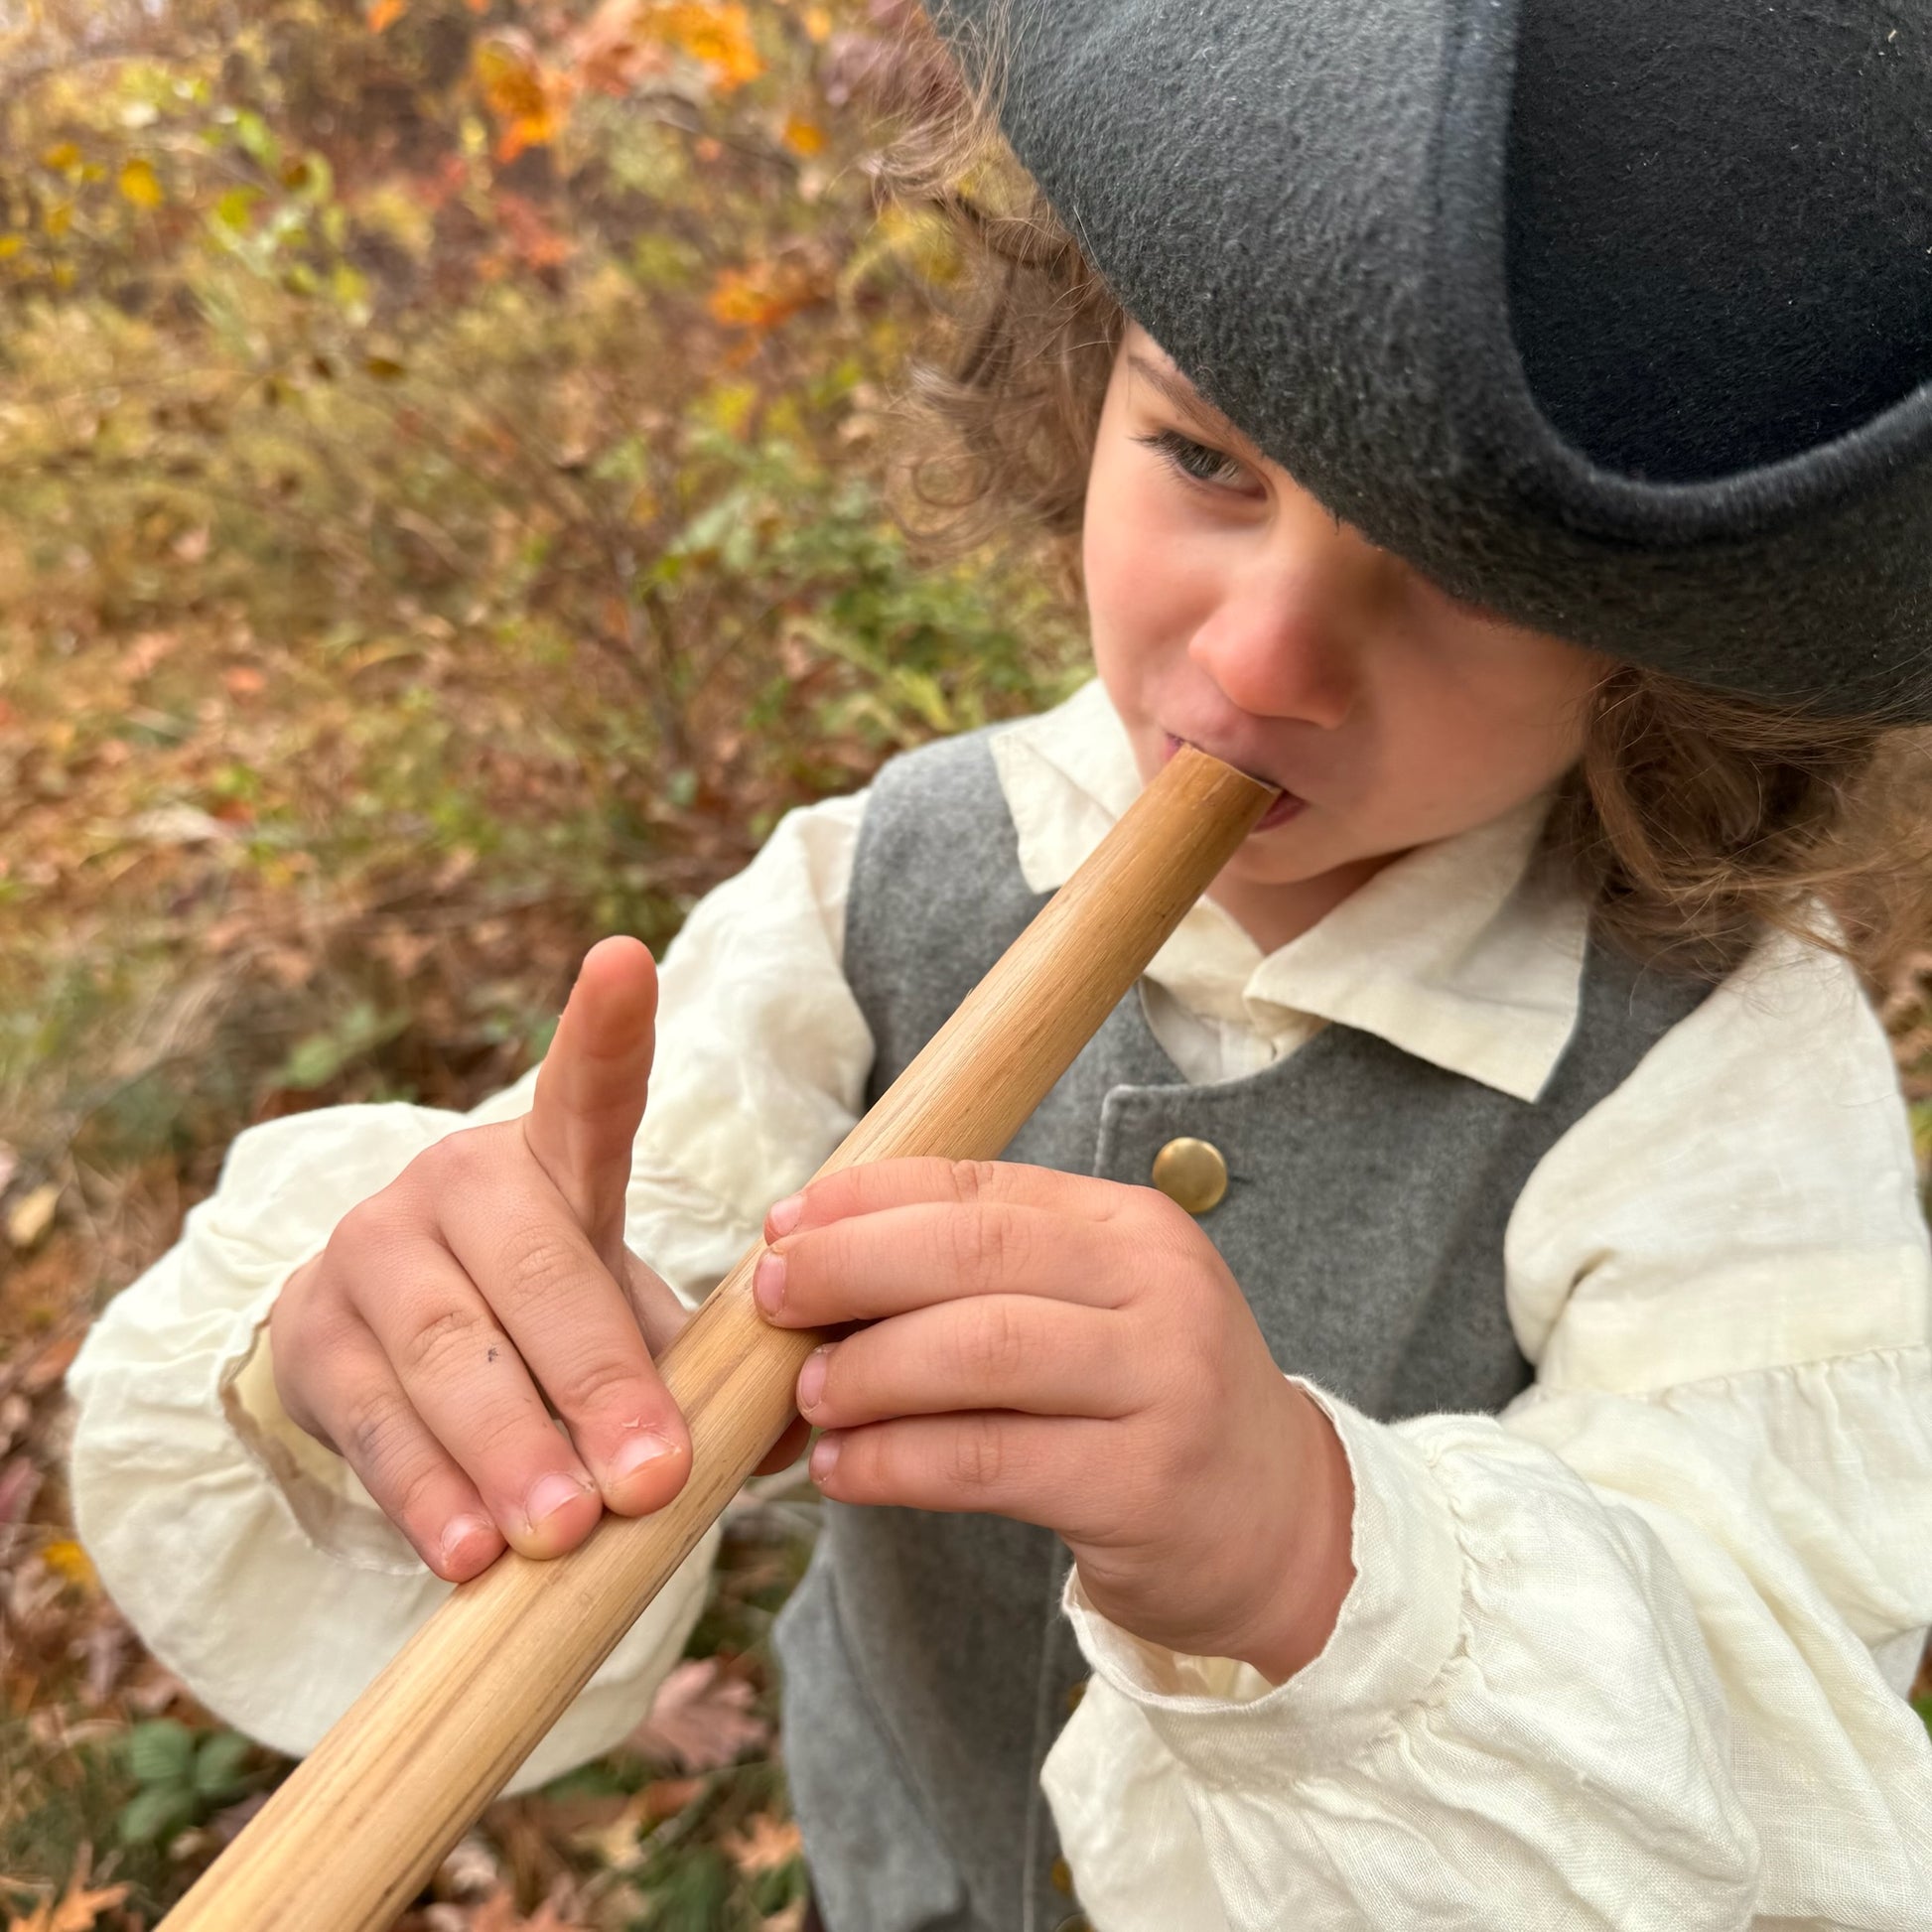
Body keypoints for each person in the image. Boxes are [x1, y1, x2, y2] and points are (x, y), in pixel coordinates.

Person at [67, 1, 1932, 1926]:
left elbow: (1755, 1714)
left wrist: (1305, 1555)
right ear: (1079, 390)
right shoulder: (880, 880)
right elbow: (621, 1292)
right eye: (1205, 455)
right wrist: (448, 1342)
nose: (1263, 660)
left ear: (1658, 649)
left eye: (1461, 578)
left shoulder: (1716, 1058)